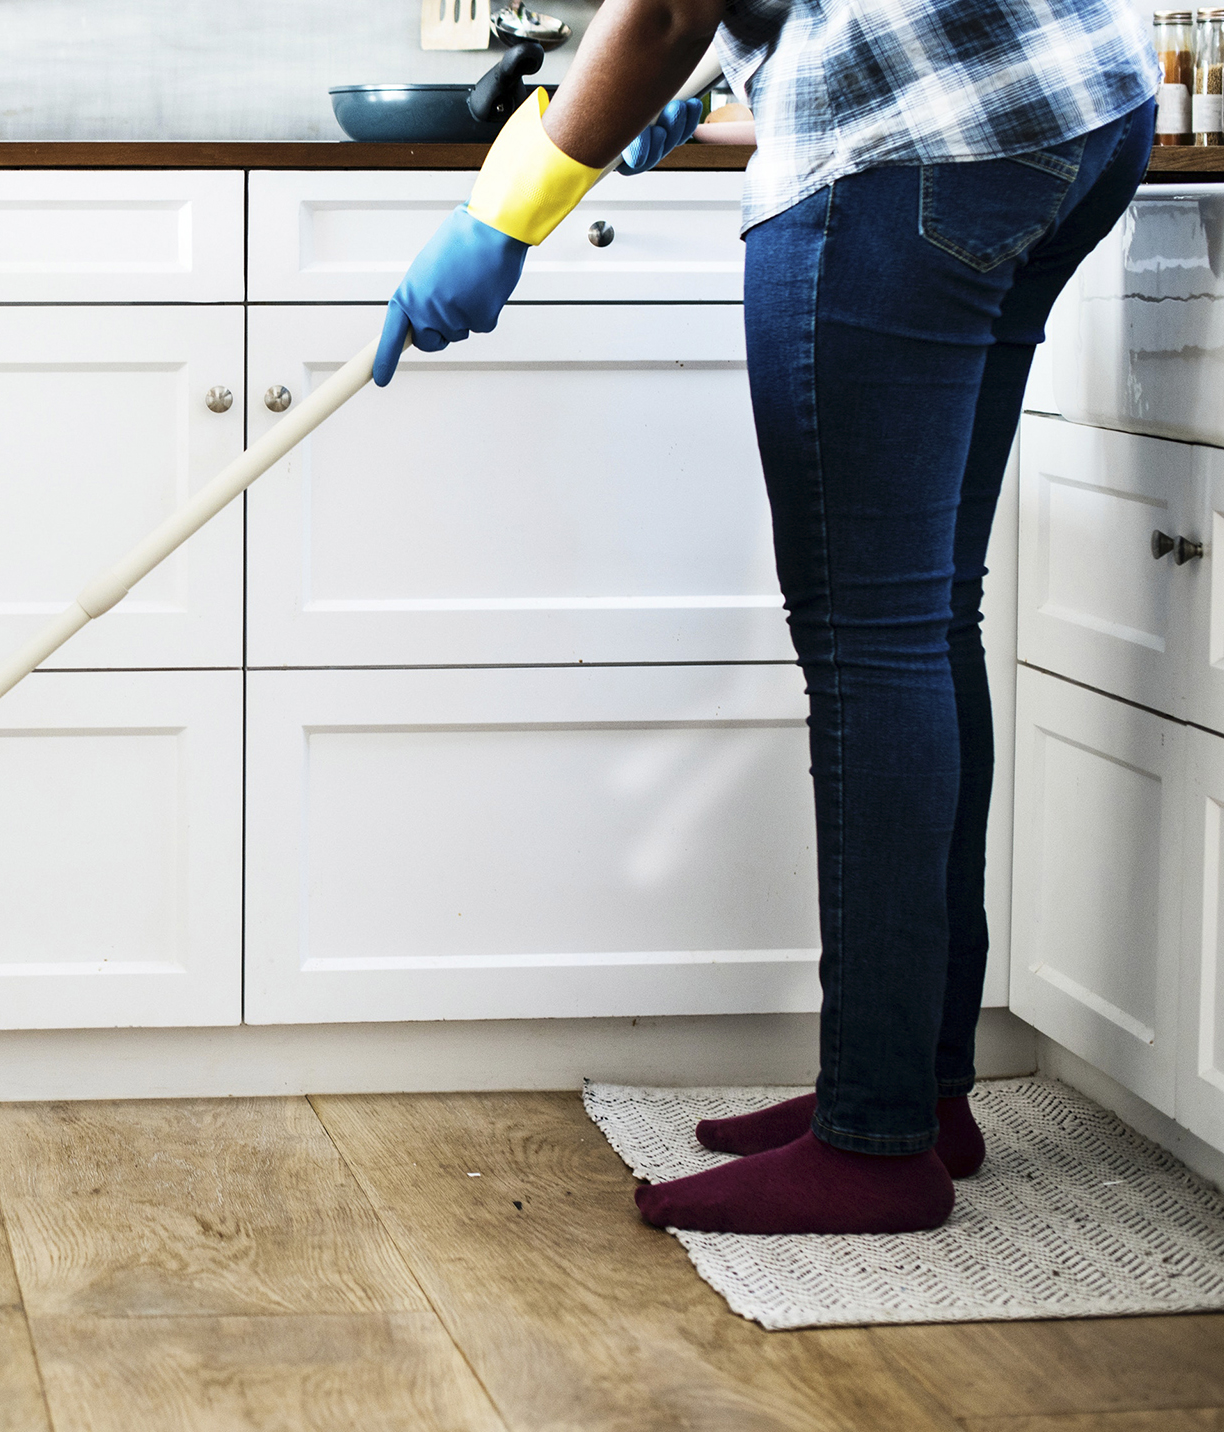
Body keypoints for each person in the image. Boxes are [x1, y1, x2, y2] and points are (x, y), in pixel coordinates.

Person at [375, 0, 1156, 1235]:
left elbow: (672, 2)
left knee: (874, 640)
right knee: (927, 618)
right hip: (1071, 110)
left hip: (913, 148)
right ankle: (916, 1089)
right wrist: (730, 73)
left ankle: (875, 1143)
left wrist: (506, 208)